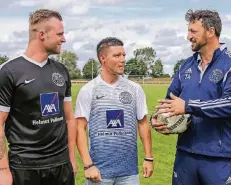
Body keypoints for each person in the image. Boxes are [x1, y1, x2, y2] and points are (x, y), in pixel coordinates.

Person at [151, 9, 231, 185]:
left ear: (211, 31)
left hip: (219, 157)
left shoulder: (228, 63)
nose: (188, 37)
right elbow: (171, 100)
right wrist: (157, 119)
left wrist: (188, 106)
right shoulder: (185, 65)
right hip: (185, 154)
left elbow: (229, 103)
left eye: (193, 31)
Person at [0, 9, 76, 185]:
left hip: (61, 165)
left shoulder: (61, 71)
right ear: (42, 34)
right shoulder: (9, 71)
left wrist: (71, 157)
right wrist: (3, 169)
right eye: (60, 34)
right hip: (25, 167)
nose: (63, 39)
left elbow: (70, 118)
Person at [75, 37, 153, 185]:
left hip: (129, 173)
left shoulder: (134, 89)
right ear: (102, 58)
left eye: (124, 55)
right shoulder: (88, 90)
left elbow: (143, 123)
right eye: (117, 55)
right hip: (98, 173)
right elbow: (79, 128)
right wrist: (88, 165)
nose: (123, 59)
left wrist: (149, 157)